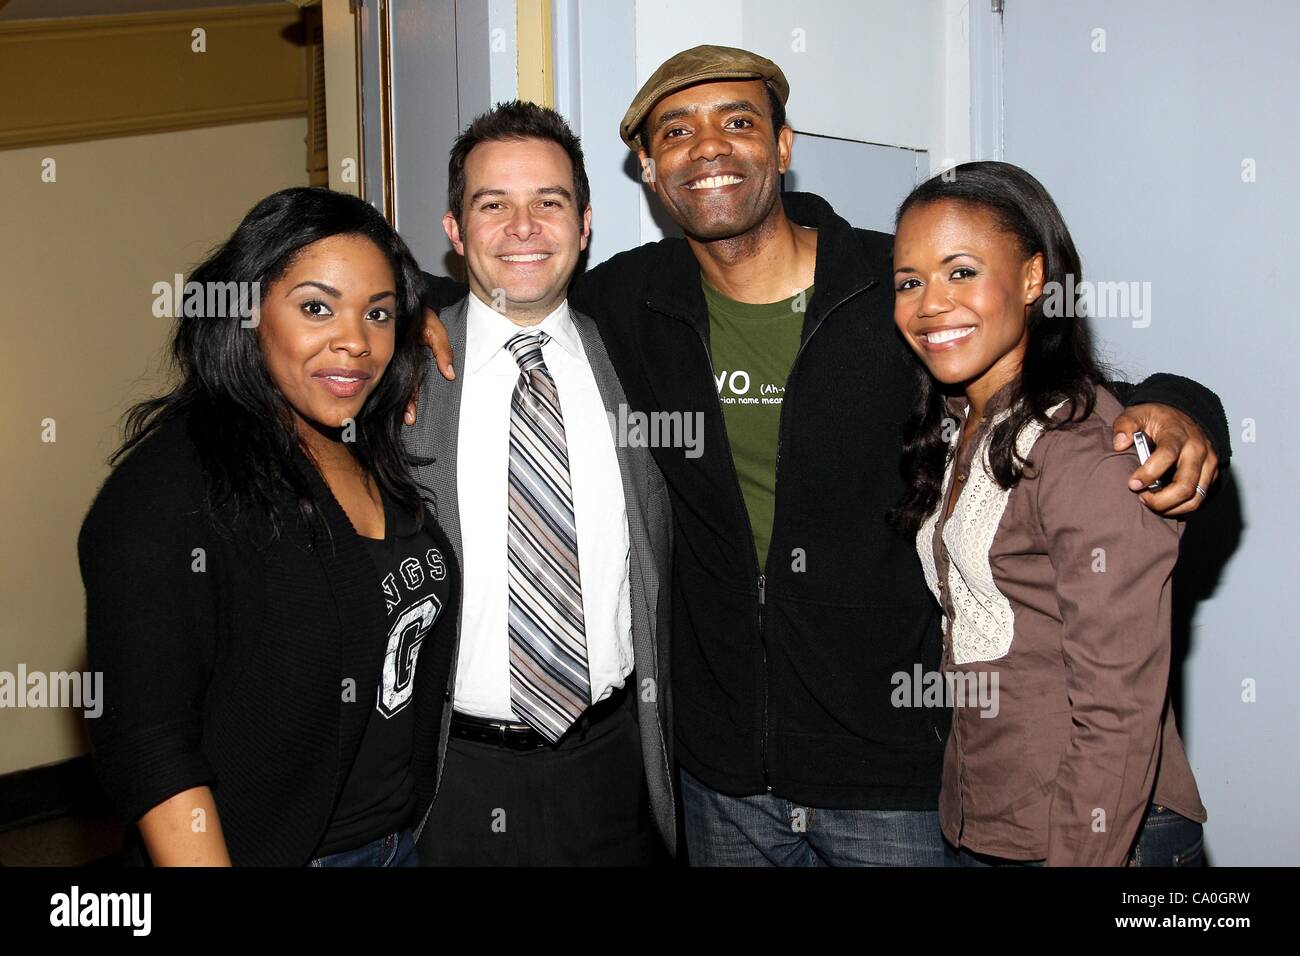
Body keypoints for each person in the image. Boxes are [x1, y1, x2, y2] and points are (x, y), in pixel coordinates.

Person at [417, 46, 1230, 866]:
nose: (707, 146)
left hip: (896, 781)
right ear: (648, 167)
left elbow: (1044, 367)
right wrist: (417, 317)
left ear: (782, 145)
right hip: (720, 783)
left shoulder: (898, 285)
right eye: (676, 130)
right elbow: (506, 283)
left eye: (738, 121)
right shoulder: (627, 301)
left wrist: (1184, 408)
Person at [79, 187, 458, 866]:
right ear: (247, 312)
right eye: (316, 308)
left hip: (400, 846)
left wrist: (421, 306)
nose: (354, 341)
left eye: (377, 314)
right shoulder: (169, 491)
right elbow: (150, 748)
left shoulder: (353, 436)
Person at [891, 161, 1207, 866]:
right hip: (987, 821)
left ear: (1035, 279)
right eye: (910, 281)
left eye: (961, 271)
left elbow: (1119, 711)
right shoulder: (957, 426)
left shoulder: (1085, 448)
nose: (931, 303)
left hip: (1096, 835)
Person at [405, 101, 676, 865]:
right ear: (455, 231)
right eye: (493, 204)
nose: (523, 227)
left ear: (585, 224)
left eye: (549, 202)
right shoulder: (392, 371)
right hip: (451, 778)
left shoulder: (643, 358)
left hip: (618, 768)